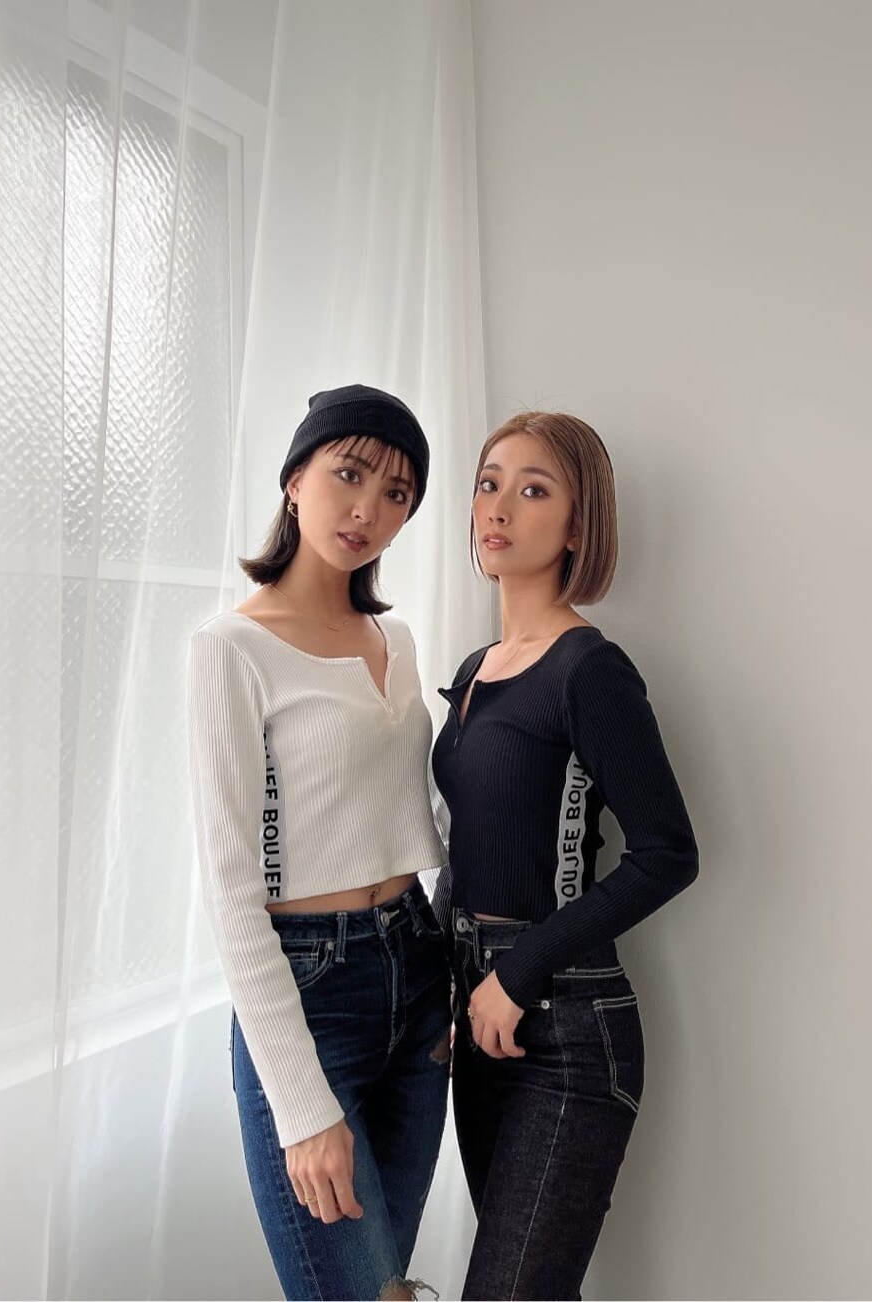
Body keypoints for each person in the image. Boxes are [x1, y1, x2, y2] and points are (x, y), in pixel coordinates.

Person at [187, 385, 450, 1302]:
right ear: (296, 479)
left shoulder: (396, 640)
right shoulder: (231, 648)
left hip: (418, 972)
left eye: (396, 493)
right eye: (349, 474)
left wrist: (460, 970)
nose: (367, 509)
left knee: (388, 1286)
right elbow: (230, 893)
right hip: (308, 988)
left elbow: (427, 812)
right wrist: (302, 1107)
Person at [432, 411, 699, 1301]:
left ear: (579, 526)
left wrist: (518, 972)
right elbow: (464, 843)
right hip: (479, 1014)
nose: (499, 506)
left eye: (533, 489)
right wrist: (448, 983)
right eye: (489, 483)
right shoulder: (476, 668)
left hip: (568, 1028)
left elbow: (668, 852)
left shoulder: (590, 669)